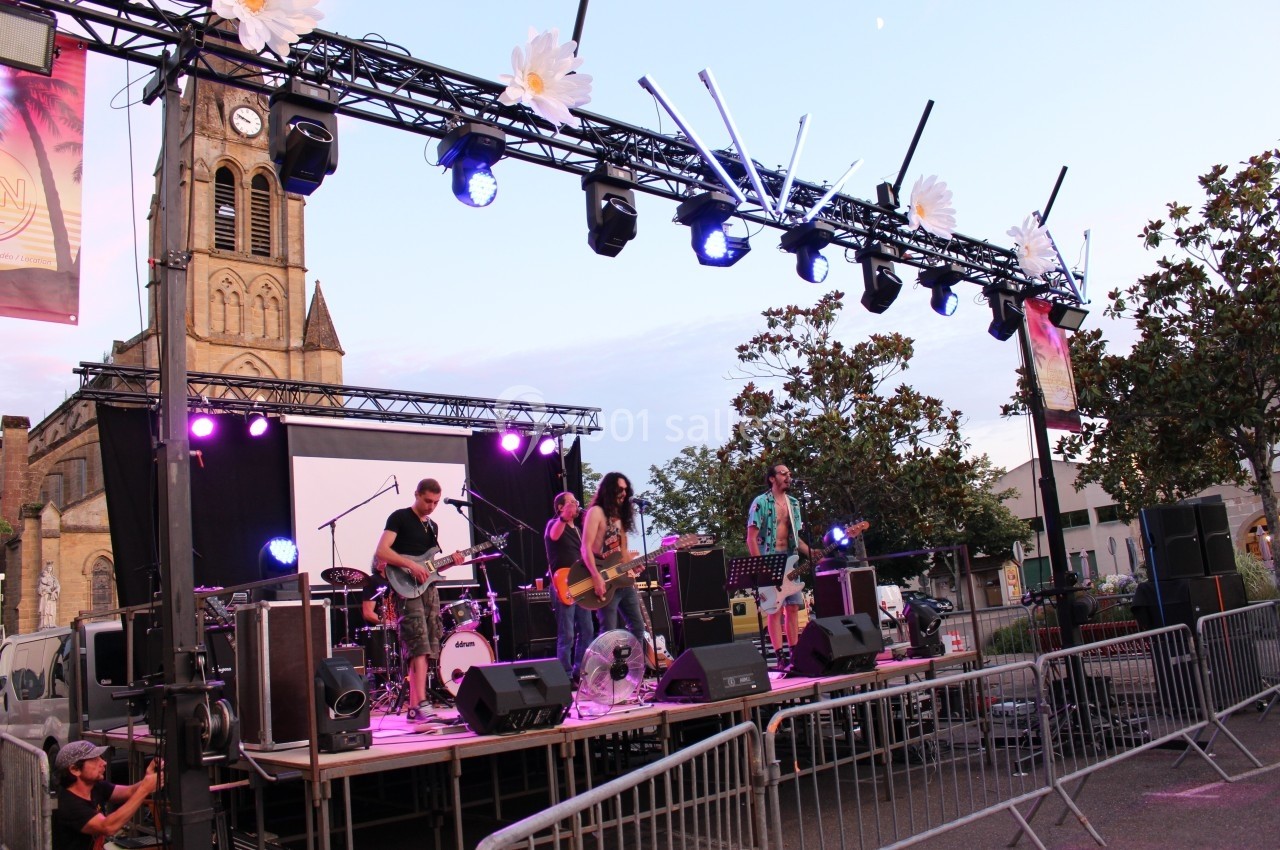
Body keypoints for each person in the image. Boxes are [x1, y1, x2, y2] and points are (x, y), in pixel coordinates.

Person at [375, 478, 465, 721]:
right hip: (406, 589)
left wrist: (453, 561)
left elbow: (430, 567)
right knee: (417, 644)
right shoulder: (400, 517)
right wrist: (410, 565)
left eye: (435, 502)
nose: (431, 506)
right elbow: (382, 551)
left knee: (429, 645)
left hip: (428, 590)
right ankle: (420, 704)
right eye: (427, 501)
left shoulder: (433, 526)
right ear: (416, 494)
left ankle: (417, 706)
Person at [746, 463, 813, 669]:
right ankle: (780, 657)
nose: (788, 477)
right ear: (772, 478)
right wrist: (761, 567)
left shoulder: (794, 504)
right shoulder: (761, 502)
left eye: (789, 473)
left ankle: (794, 654)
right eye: (783, 473)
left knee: (792, 607)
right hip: (769, 560)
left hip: (790, 559)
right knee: (774, 610)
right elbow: (751, 538)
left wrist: (811, 552)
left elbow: (796, 539)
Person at [51, 740, 161, 850]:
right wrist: (145, 789)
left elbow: (130, 791)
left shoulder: (95, 786)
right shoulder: (68, 805)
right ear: (75, 770)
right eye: (95, 759)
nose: (104, 762)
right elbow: (108, 827)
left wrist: (150, 778)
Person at [581, 472, 646, 649]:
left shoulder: (620, 516)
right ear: (609, 490)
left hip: (624, 581)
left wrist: (633, 564)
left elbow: (622, 551)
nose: (624, 493)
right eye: (620, 489)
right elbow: (585, 548)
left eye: (626, 489)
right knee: (608, 632)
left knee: (638, 628)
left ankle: (633, 666)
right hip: (605, 580)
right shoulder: (596, 512)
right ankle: (604, 666)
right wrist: (596, 576)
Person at [544, 491, 594, 684]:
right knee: (567, 634)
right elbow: (554, 535)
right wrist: (563, 518)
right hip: (562, 583)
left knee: (587, 630)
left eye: (575, 501)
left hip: (580, 584)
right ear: (560, 507)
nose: (575, 504)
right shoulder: (554, 524)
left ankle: (579, 673)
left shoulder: (578, 530)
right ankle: (564, 677)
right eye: (571, 502)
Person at [38, 561, 61, 630]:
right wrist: (46, 590)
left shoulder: (53, 578)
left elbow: (58, 586)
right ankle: (44, 624)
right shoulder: (43, 578)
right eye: (48, 568)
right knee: (45, 609)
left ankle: (52, 623)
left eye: (50, 568)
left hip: (52, 596)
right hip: (45, 596)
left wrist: (54, 591)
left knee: (51, 610)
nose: (49, 569)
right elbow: (40, 588)